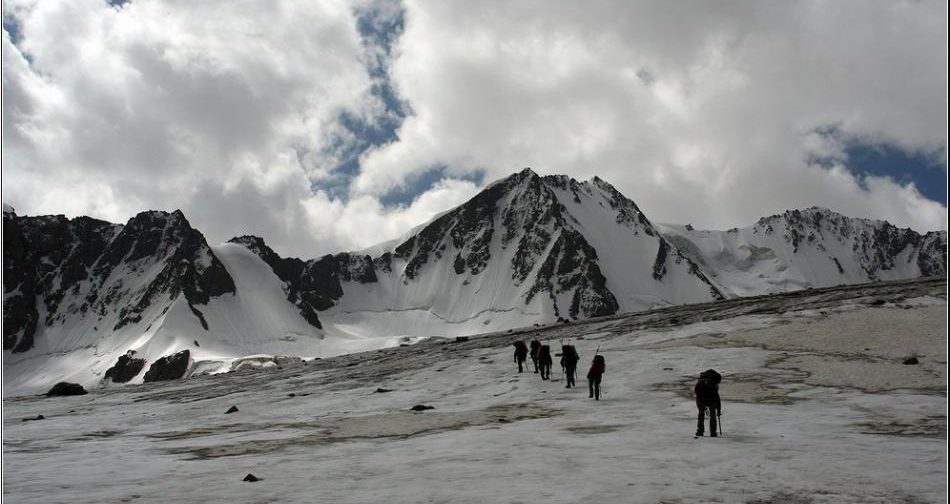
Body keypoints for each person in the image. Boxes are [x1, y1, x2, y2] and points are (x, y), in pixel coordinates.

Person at [694, 369, 722, 437]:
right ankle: (713, 432)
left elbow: (717, 397)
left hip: (703, 398)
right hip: (703, 398)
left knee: (701, 414)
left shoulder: (704, 383)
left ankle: (700, 431)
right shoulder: (712, 384)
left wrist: (718, 410)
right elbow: (717, 398)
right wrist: (718, 410)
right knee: (711, 414)